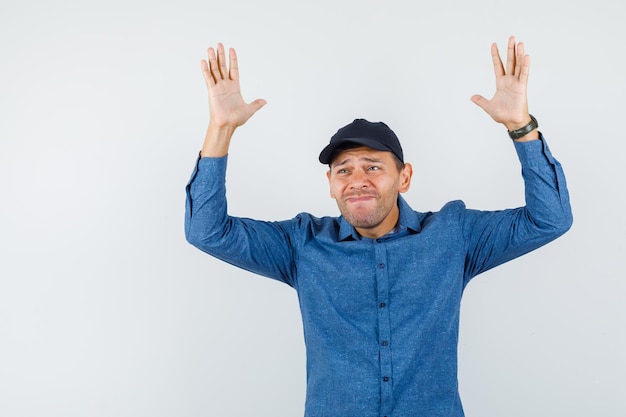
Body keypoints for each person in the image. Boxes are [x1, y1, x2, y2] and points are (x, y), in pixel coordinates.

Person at [185, 37, 572, 417]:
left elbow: (549, 218)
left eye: (373, 167)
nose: (357, 180)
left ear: (404, 177)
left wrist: (521, 126)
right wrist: (221, 130)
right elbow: (207, 231)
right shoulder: (301, 244)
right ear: (331, 183)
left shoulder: (454, 236)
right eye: (344, 170)